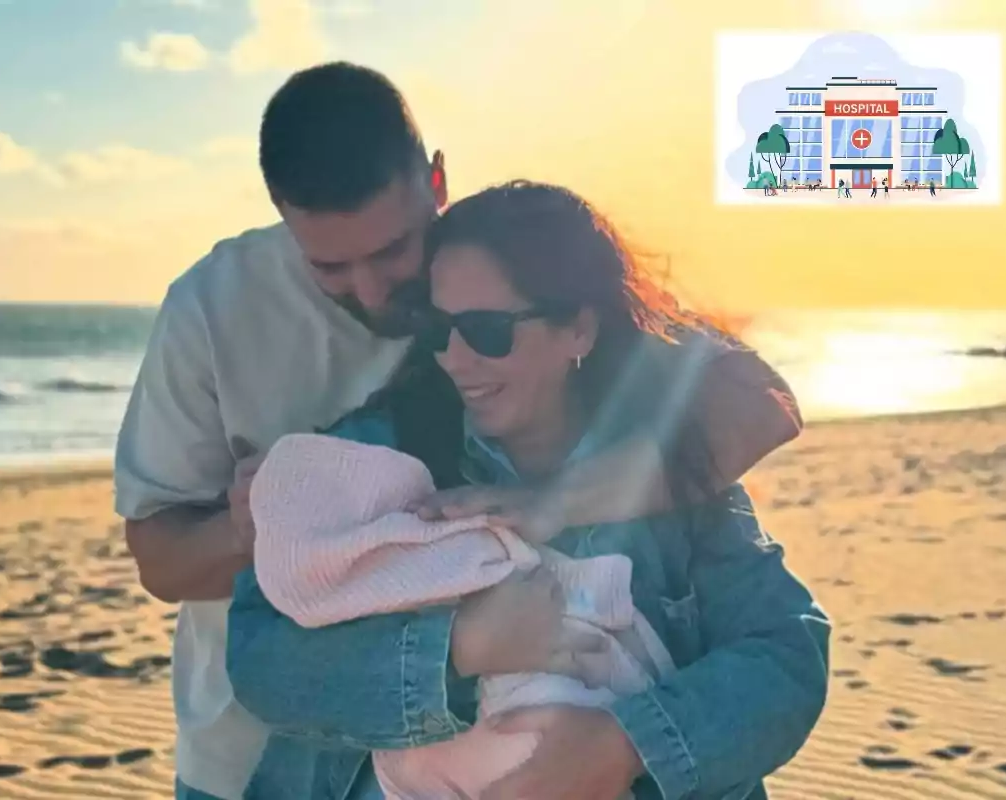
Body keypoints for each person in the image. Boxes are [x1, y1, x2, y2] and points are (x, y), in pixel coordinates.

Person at [114, 62, 805, 800]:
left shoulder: (507, 264)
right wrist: (264, 523)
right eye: (332, 267)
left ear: (435, 185)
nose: (377, 292)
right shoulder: (216, 311)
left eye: (392, 252)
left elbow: (764, 405)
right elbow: (177, 576)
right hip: (272, 756)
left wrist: (565, 504)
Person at [227, 181, 831, 799]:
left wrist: (623, 747)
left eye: (488, 331)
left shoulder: (668, 473)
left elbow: (787, 653)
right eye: (439, 330)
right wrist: (458, 648)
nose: (455, 359)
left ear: (579, 331)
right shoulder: (383, 456)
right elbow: (259, 658)